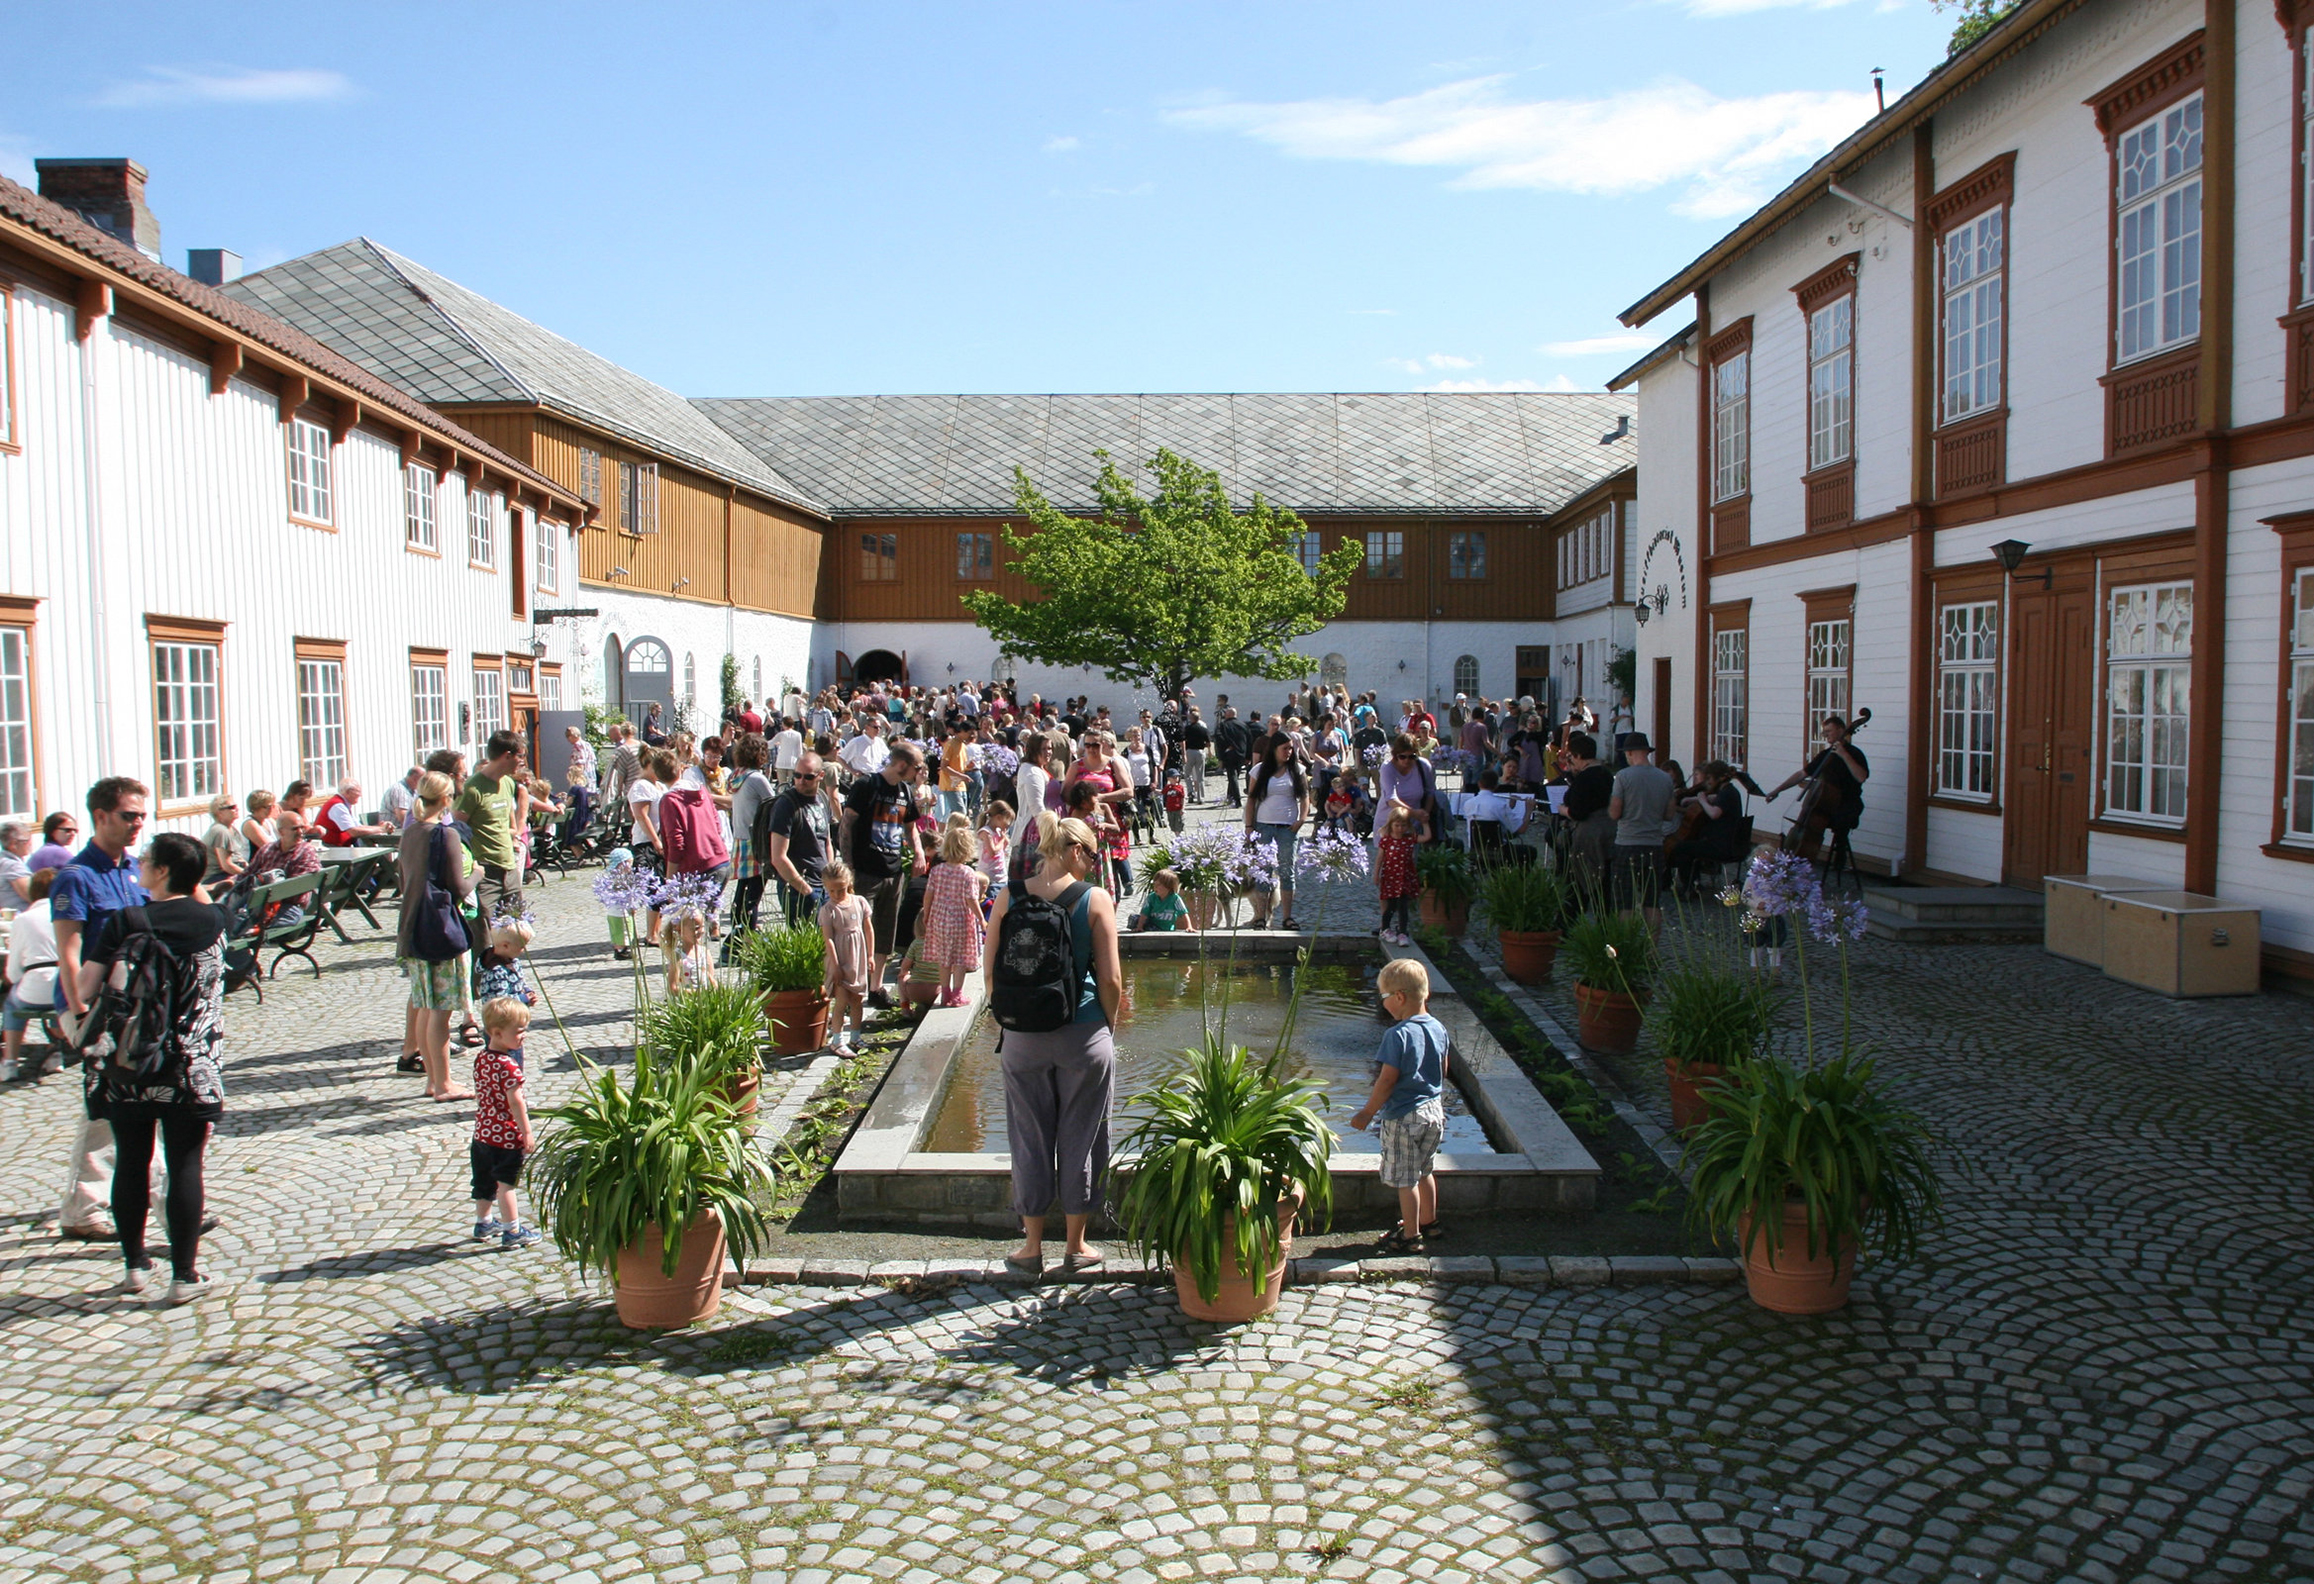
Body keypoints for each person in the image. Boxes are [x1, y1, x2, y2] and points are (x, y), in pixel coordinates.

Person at [79, 831, 228, 1304]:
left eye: (147, 860)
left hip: (131, 1063)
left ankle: (134, 1266)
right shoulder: (216, 921)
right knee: (185, 1162)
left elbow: (86, 988)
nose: (140, 865)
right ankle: (184, 1274)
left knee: (131, 1160)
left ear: (161, 871)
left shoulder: (127, 921)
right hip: (191, 1062)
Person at [982, 813, 1122, 1275]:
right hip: (1082, 1033)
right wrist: (1109, 1026)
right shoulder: (1095, 899)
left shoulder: (1008, 895)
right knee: (1083, 1136)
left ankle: (1031, 1248)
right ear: (1076, 850)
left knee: (1029, 1137)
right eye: (1092, 854)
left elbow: (989, 975)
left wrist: (1013, 1021)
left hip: (1022, 1037)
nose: (1094, 864)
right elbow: (1111, 979)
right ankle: (1076, 1246)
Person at [51, 776, 153, 1240]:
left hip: (131, 1005)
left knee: (131, 1100)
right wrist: (81, 1017)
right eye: (129, 815)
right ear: (101, 816)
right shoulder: (77, 876)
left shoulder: (132, 868)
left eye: (141, 815)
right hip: (96, 1009)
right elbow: (68, 951)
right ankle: (84, 1207)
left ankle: (141, 1200)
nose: (138, 823)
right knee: (107, 1105)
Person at [1348, 957, 1448, 1255]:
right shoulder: (1438, 1027)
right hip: (1433, 1111)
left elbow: (1387, 1080)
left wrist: (1367, 1112)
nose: (1383, 1004)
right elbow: (1444, 1067)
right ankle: (1429, 1221)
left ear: (1400, 997)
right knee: (1425, 1170)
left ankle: (1410, 1234)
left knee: (1406, 1179)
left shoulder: (1397, 1035)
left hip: (1404, 1114)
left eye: (1383, 997)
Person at [397, 772, 476, 1100]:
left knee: (424, 1005)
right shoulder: (445, 835)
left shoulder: (411, 831)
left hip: (413, 924)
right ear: (447, 799)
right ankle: (443, 1084)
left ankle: (433, 1080)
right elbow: (459, 887)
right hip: (440, 928)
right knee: (440, 1011)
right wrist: (479, 874)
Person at [843, 740, 927, 1008]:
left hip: (893, 871)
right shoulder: (867, 785)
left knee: (885, 932)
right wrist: (848, 865)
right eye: (917, 767)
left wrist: (919, 852)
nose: (920, 772)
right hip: (865, 870)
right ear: (902, 765)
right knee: (855, 931)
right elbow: (847, 824)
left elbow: (911, 826)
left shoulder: (904, 791)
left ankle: (876, 988)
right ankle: (852, 989)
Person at [468, 997, 541, 1250]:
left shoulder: (481, 1059)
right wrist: (526, 1132)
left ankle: (484, 1222)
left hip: (482, 1133)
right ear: (497, 1033)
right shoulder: (509, 1066)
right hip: (505, 1137)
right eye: (519, 1032)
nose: (524, 1036)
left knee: (484, 1181)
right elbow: (516, 1102)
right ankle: (513, 1230)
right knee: (505, 1184)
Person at [1607, 732, 1677, 931]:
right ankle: (1652, 950)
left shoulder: (1623, 776)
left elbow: (1615, 812)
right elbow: (1670, 814)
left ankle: (1628, 948)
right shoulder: (1665, 778)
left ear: (1629, 753)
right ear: (1647, 752)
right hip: (1654, 844)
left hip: (1627, 843)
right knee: (1652, 902)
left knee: (1625, 902)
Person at [457, 732, 529, 919]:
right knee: (486, 933)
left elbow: (507, 823)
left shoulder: (508, 784)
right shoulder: (473, 789)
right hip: (485, 872)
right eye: (520, 756)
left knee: (516, 929)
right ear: (507, 755)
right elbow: (456, 831)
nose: (522, 762)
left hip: (509, 867)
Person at [1243, 736, 1311, 930]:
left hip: (1288, 827)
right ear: (1274, 749)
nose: (1288, 752)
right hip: (1264, 825)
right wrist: (1249, 827)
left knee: (1287, 871)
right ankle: (1261, 916)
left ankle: (1287, 917)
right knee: (1263, 872)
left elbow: (1305, 797)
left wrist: (1302, 819)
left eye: (1291, 749)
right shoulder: (1260, 769)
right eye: (1284, 748)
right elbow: (1251, 800)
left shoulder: (1297, 770)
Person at [1766, 714, 1872, 835]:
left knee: (1838, 826)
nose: (1825, 735)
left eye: (1829, 731)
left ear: (1841, 730)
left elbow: (1861, 777)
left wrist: (1844, 755)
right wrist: (1778, 790)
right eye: (1824, 732)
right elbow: (1802, 774)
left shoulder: (1854, 753)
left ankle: (1839, 852)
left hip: (1848, 805)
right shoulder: (1825, 755)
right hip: (1826, 806)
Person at [761, 751, 833, 927]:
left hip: (823, 885)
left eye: (808, 777)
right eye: (797, 775)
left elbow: (826, 841)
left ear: (820, 776)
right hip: (798, 888)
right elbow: (778, 857)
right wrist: (805, 890)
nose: (801, 781)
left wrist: (830, 877)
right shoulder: (786, 805)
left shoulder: (822, 799)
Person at [920, 824, 988, 1008]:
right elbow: (971, 899)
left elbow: (929, 894)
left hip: (940, 917)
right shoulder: (968, 873)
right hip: (960, 918)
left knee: (944, 958)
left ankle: (945, 993)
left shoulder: (936, 870)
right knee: (960, 959)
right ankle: (957, 994)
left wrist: (927, 914)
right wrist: (981, 919)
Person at [1, 868, 57, 1081]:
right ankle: (55, 1053)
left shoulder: (23, 919)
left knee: (11, 1003)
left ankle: (10, 1063)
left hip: (34, 989)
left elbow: (13, 972)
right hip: (64, 987)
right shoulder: (69, 916)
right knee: (59, 992)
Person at [1668, 761, 1752, 893]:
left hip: (1721, 847)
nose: (1708, 782)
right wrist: (1693, 799)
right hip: (1726, 844)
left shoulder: (1727, 793)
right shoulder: (1728, 791)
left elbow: (1714, 813)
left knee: (1681, 848)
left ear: (1719, 778)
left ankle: (1689, 888)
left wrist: (1701, 800)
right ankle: (1695, 883)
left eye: (1709, 778)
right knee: (1691, 845)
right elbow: (1714, 798)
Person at [817, 860, 872, 1053]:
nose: (836, 895)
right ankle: (837, 1040)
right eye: (831, 891)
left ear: (848, 883)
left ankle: (856, 1036)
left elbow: (868, 929)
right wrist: (836, 965)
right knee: (841, 1001)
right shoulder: (828, 910)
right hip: (839, 959)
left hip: (857, 958)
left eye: (840, 889)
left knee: (857, 1000)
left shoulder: (859, 902)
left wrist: (871, 955)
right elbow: (828, 939)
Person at [1559, 733, 1617, 902]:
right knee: (1604, 881)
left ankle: (1568, 919)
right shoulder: (1606, 774)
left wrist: (1563, 810)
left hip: (1589, 833)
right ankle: (1604, 922)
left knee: (1582, 879)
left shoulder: (1585, 778)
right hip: (1609, 830)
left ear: (1578, 756)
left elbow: (1578, 812)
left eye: (1572, 756)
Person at [1375, 801, 1422, 946]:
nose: (1400, 828)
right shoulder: (1386, 841)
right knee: (1391, 905)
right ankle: (1385, 928)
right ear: (1391, 825)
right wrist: (1376, 874)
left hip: (1405, 877)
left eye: (1403, 825)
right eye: (1397, 825)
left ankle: (1402, 932)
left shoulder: (1409, 839)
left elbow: (1426, 837)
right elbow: (1379, 859)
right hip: (1390, 877)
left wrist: (1424, 822)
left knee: (1403, 905)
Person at [474, 916, 539, 1012]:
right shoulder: (496, 970)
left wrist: (528, 992)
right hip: (501, 1017)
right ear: (505, 946)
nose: (523, 950)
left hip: (514, 1011)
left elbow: (520, 981)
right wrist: (522, 998)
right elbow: (499, 1000)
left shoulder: (513, 961)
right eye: (522, 946)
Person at [662, 905, 717, 996]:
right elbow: (673, 988)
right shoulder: (678, 956)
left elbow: (711, 978)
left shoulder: (705, 952)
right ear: (679, 930)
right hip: (687, 1003)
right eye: (695, 928)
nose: (700, 931)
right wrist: (695, 994)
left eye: (702, 926)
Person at [315, 779, 387, 846]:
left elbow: (358, 827)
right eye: (358, 791)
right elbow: (354, 832)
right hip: (332, 848)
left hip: (341, 847)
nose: (360, 795)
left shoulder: (343, 804)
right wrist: (382, 829)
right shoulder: (338, 806)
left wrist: (379, 828)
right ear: (348, 792)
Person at [199, 795, 249, 890]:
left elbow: (237, 857)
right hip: (216, 877)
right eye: (232, 807)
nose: (237, 809)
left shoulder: (232, 829)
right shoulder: (220, 831)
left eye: (236, 806)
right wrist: (248, 874)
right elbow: (226, 865)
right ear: (220, 813)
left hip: (229, 872)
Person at [561, 728, 597, 844]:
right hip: (591, 782)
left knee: (579, 811)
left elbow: (579, 765)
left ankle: (578, 838)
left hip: (582, 784)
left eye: (568, 737)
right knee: (587, 811)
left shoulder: (577, 746)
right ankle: (587, 838)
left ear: (572, 736)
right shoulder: (587, 745)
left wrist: (576, 779)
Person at [1134, 868, 1192, 933]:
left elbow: (1183, 913)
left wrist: (1189, 927)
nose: (1155, 887)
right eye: (1154, 884)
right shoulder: (1151, 898)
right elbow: (1144, 913)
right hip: (1152, 927)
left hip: (1167, 929)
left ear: (1168, 887)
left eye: (1158, 885)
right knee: (1133, 919)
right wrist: (1140, 926)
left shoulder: (1175, 899)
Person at [1214, 706, 1251, 806]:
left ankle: (1237, 800)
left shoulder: (1222, 725)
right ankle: (1229, 797)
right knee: (1235, 775)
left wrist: (1224, 750)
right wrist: (1248, 756)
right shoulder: (1243, 725)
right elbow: (1249, 740)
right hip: (1241, 754)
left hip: (1229, 753)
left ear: (1228, 715)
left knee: (1232, 776)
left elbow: (1218, 737)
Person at [29, 812, 78, 876]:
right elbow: (80, 873)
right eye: (68, 830)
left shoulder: (46, 849)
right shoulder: (56, 852)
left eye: (75, 830)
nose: (73, 834)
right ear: (52, 831)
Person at [0, 819, 34, 905]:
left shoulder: (3, 861)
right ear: (13, 844)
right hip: (19, 915)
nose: (30, 844)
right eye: (27, 840)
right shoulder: (13, 866)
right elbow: (32, 896)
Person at [1181, 707, 1211, 804]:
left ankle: (1190, 792)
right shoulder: (1203, 729)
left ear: (1191, 718)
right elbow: (1208, 743)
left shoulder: (1187, 729)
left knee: (1187, 774)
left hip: (1190, 751)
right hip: (1200, 751)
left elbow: (1183, 740)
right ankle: (1200, 798)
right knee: (1200, 776)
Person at [381, 767, 424, 833]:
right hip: (393, 832)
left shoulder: (414, 791)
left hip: (405, 831)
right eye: (423, 780)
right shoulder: (399, 790)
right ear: (415, 779)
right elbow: (404, 819)